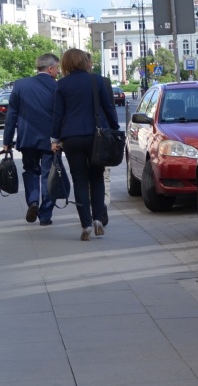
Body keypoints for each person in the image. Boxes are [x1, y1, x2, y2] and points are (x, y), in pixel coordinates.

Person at [49, 48, 118, 241]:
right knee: (97, 177)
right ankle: (98, 219)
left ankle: (86, 224)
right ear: (83, 61)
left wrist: (54, 139)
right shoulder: (96, 81)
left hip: (71, 138)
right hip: (96, 136)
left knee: (79, 180)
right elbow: (108, 107)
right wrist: (114, 129)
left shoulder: (61, 85)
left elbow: (58, 114)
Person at [1, 53, 60, 225]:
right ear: (50, 68)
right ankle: (45, 215)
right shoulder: (57, 87)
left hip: (27, 139)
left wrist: (7, 141)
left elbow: (11, 115)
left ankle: (33, 201)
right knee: (49, 175)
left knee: (30, 171)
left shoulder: (20, 85)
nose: (58, 72)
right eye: (57, 68)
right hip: (51, 141)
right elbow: (61, 115)